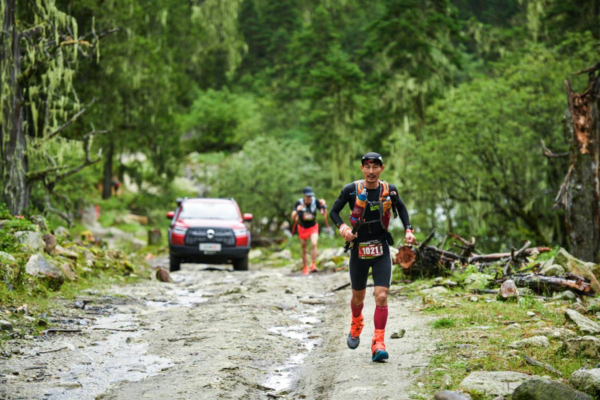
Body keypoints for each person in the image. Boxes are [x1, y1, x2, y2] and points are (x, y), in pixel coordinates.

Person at [329, 152, 416, 362]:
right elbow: (334, 211)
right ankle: (357, 322)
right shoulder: (352, 190)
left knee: (382, 295)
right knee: (358, 297)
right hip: (359, 250)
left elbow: (402, 208)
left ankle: (378, 343)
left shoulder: (389, 191)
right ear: (362, 169)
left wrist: (408, 229)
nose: (371, 171)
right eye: (367, 167)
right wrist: (343, 230)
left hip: (381, 248)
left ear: (381, 168)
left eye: (375, 167)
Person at [291, 187, 328, 275]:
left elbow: (324, 213)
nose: (309, 198)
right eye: (307, 196)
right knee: (304, 247)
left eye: (310, 196)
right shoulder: (299, 203)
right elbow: (293, 217)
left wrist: (324, 205)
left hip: (313, 226)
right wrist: (297, 210)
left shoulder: (315, 201)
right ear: (304, 195)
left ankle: (313, 265)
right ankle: (305, 267)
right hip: (302, 228)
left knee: (314, 243)